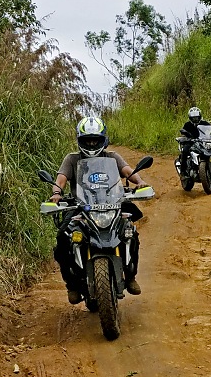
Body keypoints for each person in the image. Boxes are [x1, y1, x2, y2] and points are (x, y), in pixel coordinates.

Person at [50, 116, 148, 304]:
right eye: (88, 140)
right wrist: (56, 192)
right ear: (80, 140)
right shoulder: (72, 159)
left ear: (104, 139)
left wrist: (140, 182)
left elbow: (128, 171)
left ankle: (130, 276)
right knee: (63, 237)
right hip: (80, 206)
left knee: (130, 232)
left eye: (96, 139)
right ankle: (71, 285)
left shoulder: (112, 157)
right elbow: (61, 179)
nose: (92, 143)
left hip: (112, 204)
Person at [180, 106, 211, 187]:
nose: (195, 119)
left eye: (197, 117)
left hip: (203, 142)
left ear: (200, 116)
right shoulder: (187, 124)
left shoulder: (204, 123)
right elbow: (183, 131)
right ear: (190, 118)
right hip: (191, 142)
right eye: (193, 118)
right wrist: (186, 135)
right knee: (185, 150)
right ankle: (183, 172)